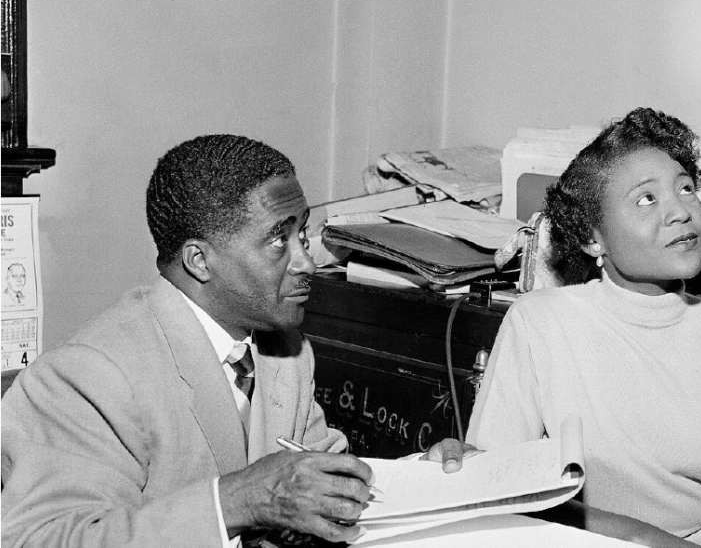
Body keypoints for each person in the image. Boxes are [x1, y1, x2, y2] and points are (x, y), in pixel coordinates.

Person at [1, 133, 466, 547]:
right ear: (200, 261)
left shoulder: (286, 351)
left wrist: (421, 476)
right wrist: (237, 502)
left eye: (302, 232)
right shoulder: (93, 374)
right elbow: (42, 537)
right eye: (278, 240)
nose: (307, 262)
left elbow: (316, 472)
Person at [467, 108, 701, 548]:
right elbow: (500, 491)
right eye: (647, 199)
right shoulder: (538, 324)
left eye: (686, 189)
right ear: (594, 239)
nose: (681, 212)